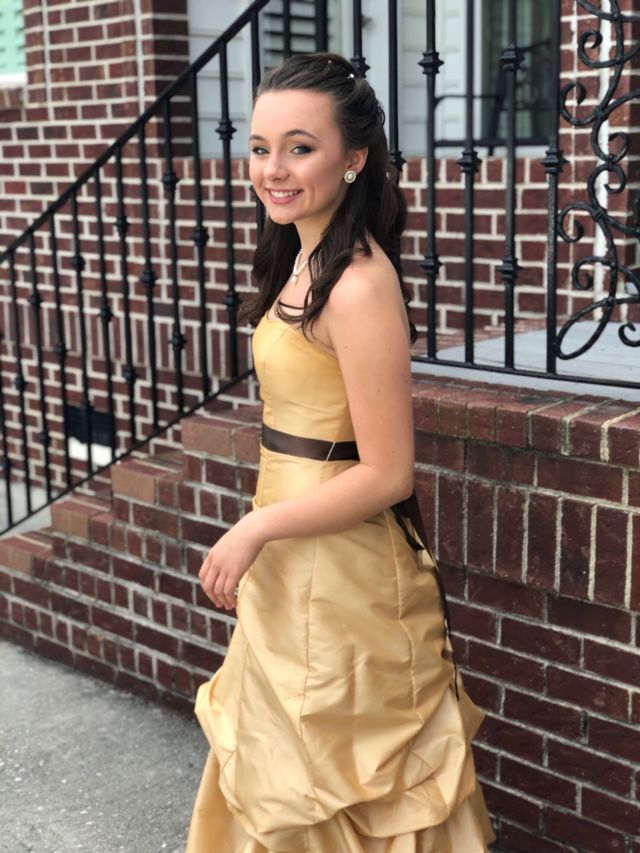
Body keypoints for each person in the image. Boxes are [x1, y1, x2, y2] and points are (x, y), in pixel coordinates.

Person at [186, 52, 495, 852]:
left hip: (339, 567)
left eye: (300, 147)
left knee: (338, 769)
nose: (273, 170)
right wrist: (266, 528)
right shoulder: (303, 257)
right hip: (292, 547)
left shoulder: (356, 284)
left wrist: (256, 528)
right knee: (280, 758)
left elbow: (388, 471)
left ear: (354, 157)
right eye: (260, 148)